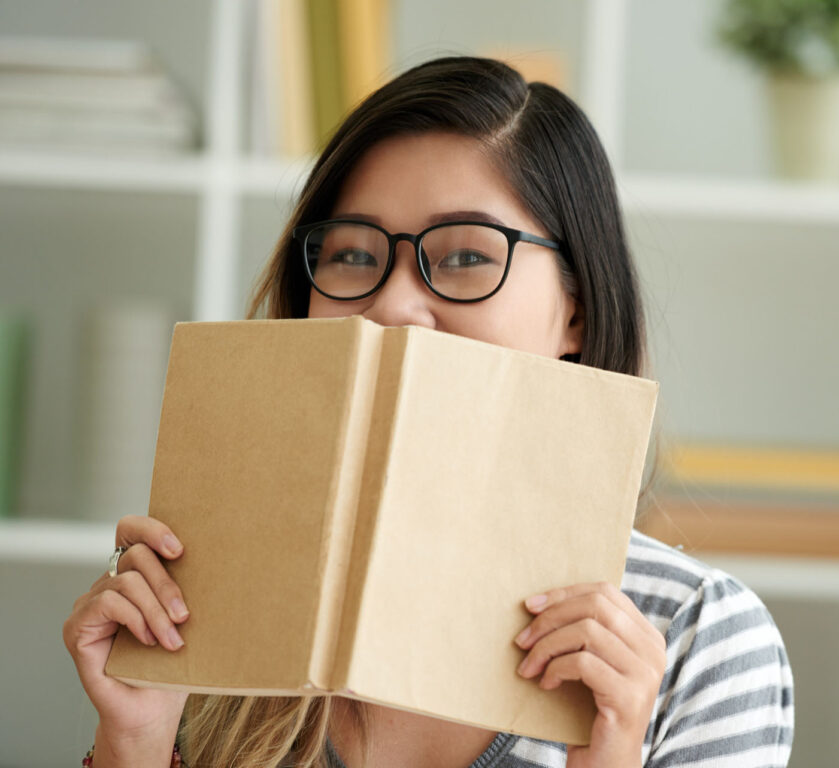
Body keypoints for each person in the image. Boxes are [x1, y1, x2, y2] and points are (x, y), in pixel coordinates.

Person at [64, 56, 794, 768]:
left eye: (466, 256)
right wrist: (134, 740)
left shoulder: (699, 637)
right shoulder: (207, 596)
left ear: (576, 307)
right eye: (351, 254)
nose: (395, 305)